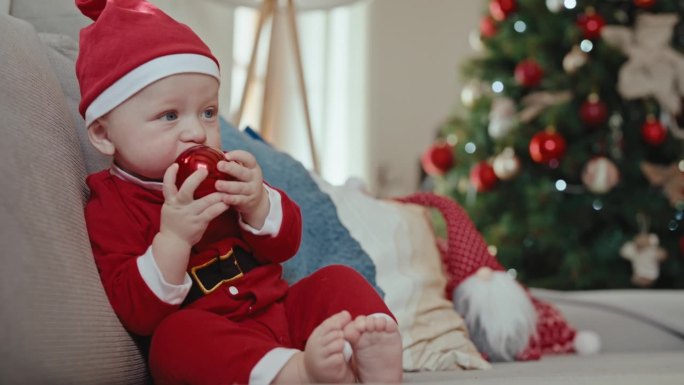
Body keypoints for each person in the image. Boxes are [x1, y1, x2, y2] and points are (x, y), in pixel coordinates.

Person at [75, 1, 403, 384]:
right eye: (169, 116)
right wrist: (174, 239)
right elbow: (138, 312)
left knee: (337, 279)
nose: (197, 132)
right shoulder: (111, 205)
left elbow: (285, 246)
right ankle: (296, 374)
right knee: (171, 343)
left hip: (280, 309)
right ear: (103, 134)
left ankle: (365, 357)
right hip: (218, 338)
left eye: (208, 112)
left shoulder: (227, 170)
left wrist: (259, 204)